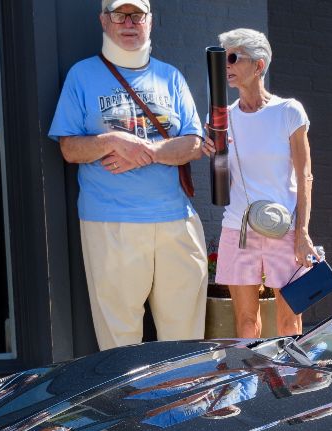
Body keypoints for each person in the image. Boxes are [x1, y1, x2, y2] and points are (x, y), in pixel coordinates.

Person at [50, 0, 207, 350]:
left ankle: (181, 404)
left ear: (150, 22)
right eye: (120, 15)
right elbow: (69, 149)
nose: (129, 23)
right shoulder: (82, 75)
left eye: (137, 15)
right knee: (119, 340)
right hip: (111, 221)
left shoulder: (170, 76)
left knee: (185, 342)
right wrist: (112, 140)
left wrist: (142, 152)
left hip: (176, 220)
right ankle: (124, 406)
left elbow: (195, 144)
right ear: (104, 21)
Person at [211, 27, 317, 338]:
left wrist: (303, 233)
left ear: (259, 65)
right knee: (245, 324)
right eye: (223, 59)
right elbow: (223, 181)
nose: (226, 66)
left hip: (282, 227)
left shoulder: (288, 111)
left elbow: (305, 175)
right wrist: (213, 152)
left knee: (289, 325)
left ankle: (289, 384)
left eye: (233, 58)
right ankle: (252, 384)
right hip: (238, 228)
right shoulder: (223, 118)